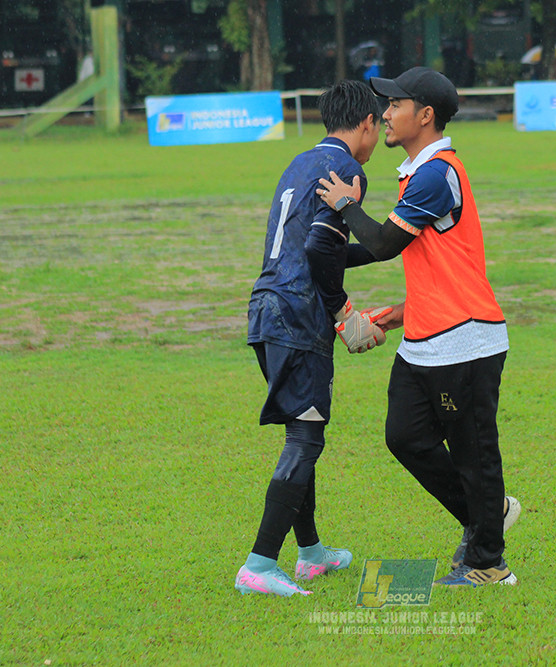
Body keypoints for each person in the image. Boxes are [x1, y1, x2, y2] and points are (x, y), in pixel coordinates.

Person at [316, 67, 521, 587]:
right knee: (404, 437)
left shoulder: (436, 174)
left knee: (474, 452)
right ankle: (487, 515)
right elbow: (420, 254)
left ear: (424, 116)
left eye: (395, 105)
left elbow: (384, 244)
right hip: (426, 339)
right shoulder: (418, 173)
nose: (384, 114)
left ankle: (488, 563)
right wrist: (324, 257)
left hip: (465, 341)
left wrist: (345, 206)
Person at [236, 80, 388, 597]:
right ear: (365, 123)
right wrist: (345, 314)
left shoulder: (299, 163)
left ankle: (311, 554)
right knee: (306, 435)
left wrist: (395, 242)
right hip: (298, 314)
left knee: (303, 429)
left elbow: (314, 246)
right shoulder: (349, 170)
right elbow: (323, 251)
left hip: (266, 306)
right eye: (378, 124)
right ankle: (259, 564)